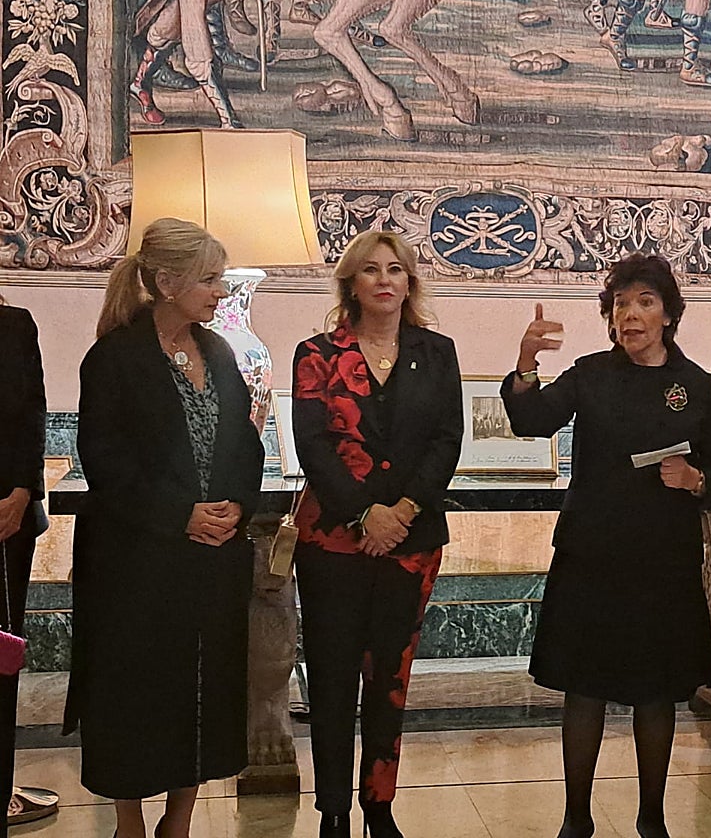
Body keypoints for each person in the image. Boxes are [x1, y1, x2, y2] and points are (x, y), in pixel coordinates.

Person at [501, 253, 711, 838]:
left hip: (662, 561)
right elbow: (530, 419)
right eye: (620, 304)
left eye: (645, 302)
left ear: (668, 315)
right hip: (591, 556)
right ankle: (576, 818)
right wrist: (527, 360)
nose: (630, 315)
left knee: (655, 695)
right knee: (584, 690)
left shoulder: (698, 387)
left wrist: (697, 479)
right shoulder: (591, 374)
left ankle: (652, 818)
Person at [64, 217, 264, 838]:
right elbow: (104, 461)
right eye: (209, 278)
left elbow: (243, 446)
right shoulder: (115, 355)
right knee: (135, 693)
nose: (222, 290)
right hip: (136, 564)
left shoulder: (220, 351)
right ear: (169, 282)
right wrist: (180, 515)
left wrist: (236, 505)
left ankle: (178, 822)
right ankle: (129, 822)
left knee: (201, 695)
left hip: (212, 561)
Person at [290, 231, 463, 838]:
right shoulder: (315, 353)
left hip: (412, 541)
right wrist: (367, 514)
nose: (385, 280)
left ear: (410, 282)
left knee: (390, 676)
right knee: (333, 677)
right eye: (371, 270)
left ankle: (379, 807)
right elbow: (313, 444)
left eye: (396, 269)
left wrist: (403, 511)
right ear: (352, 283)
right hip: (333, 539)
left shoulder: (437, 353)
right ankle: (334, 809)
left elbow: (447, 439)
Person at [0, 298, 49, 838]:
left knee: (0, 660)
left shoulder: (14, 325)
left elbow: (32, 413)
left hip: (6, 521)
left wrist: (21, 492)